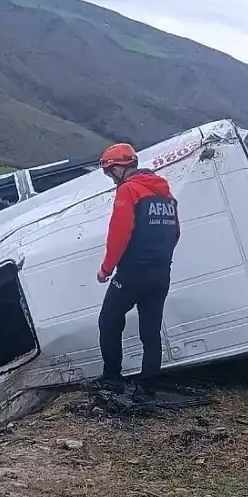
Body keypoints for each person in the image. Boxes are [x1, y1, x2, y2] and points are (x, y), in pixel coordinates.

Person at [95, 143, 181, 396]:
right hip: (161, 273)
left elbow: (119, 235)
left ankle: (112, 378)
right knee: (150, 330)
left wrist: (106, 269)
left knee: (109, 320)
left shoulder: (128, 191)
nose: (111, 178)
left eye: (110, 172)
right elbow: (176, 233)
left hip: (132, 273)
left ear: (119, 168)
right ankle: (147, 385)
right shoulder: (166, 195)